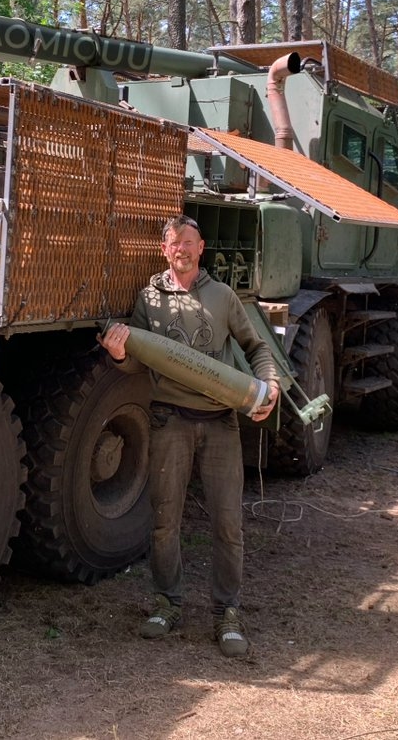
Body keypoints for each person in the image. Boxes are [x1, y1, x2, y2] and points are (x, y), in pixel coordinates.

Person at [98, 214, 279, 657]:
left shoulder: (223, 296)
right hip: (169, 421)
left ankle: (227, 614)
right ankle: (166, 603)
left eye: (189, 242)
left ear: (201, 249)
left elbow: (256, 347)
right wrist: (119, 354)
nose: (181, 248)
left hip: (220, 422)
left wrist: (268, 384)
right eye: (174, 242)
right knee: (165, 521)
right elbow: (138, 364)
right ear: (165, 250)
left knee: (227, 522)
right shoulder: (148, 299)